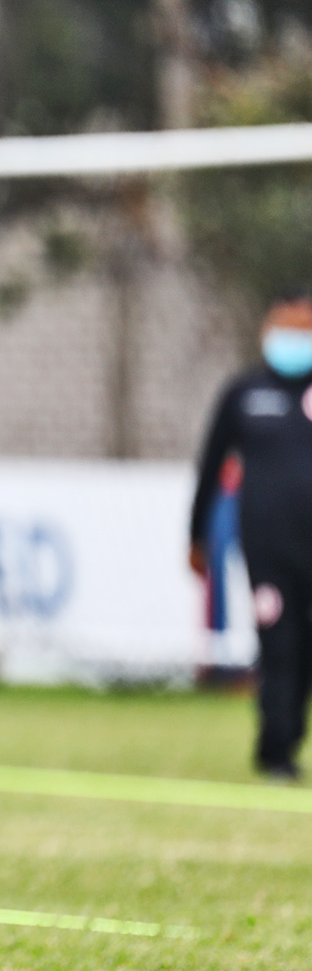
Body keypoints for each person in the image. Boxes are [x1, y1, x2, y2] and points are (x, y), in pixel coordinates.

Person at [190, 288, 312, 782]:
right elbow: (210, 468)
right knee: (278, 645)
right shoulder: (243, 393)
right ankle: (274, 750)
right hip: (268, 549)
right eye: (286, 327)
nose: (294, 338)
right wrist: (196, 536)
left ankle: (291, 737)